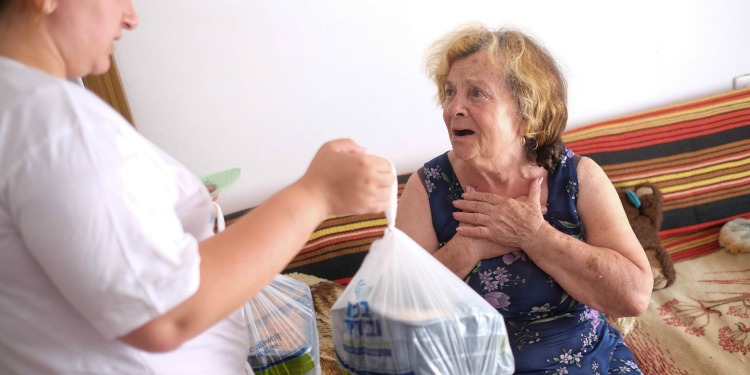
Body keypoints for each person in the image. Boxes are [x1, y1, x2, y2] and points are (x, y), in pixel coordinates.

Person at [0, 0, 394, 374]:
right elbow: (166, 312)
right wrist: (316, 193)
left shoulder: (24, 110)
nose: (131, 17)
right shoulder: (55, 125)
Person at [396, 23, 653, 374]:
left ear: (526, 112)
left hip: (586, 360)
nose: (453, 107)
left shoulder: (578, 177)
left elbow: (634, 297)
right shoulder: (427, 187)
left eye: (477, 93)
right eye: (450, 91)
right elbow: (397, 314)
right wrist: (468, 249)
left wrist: (534, 234)